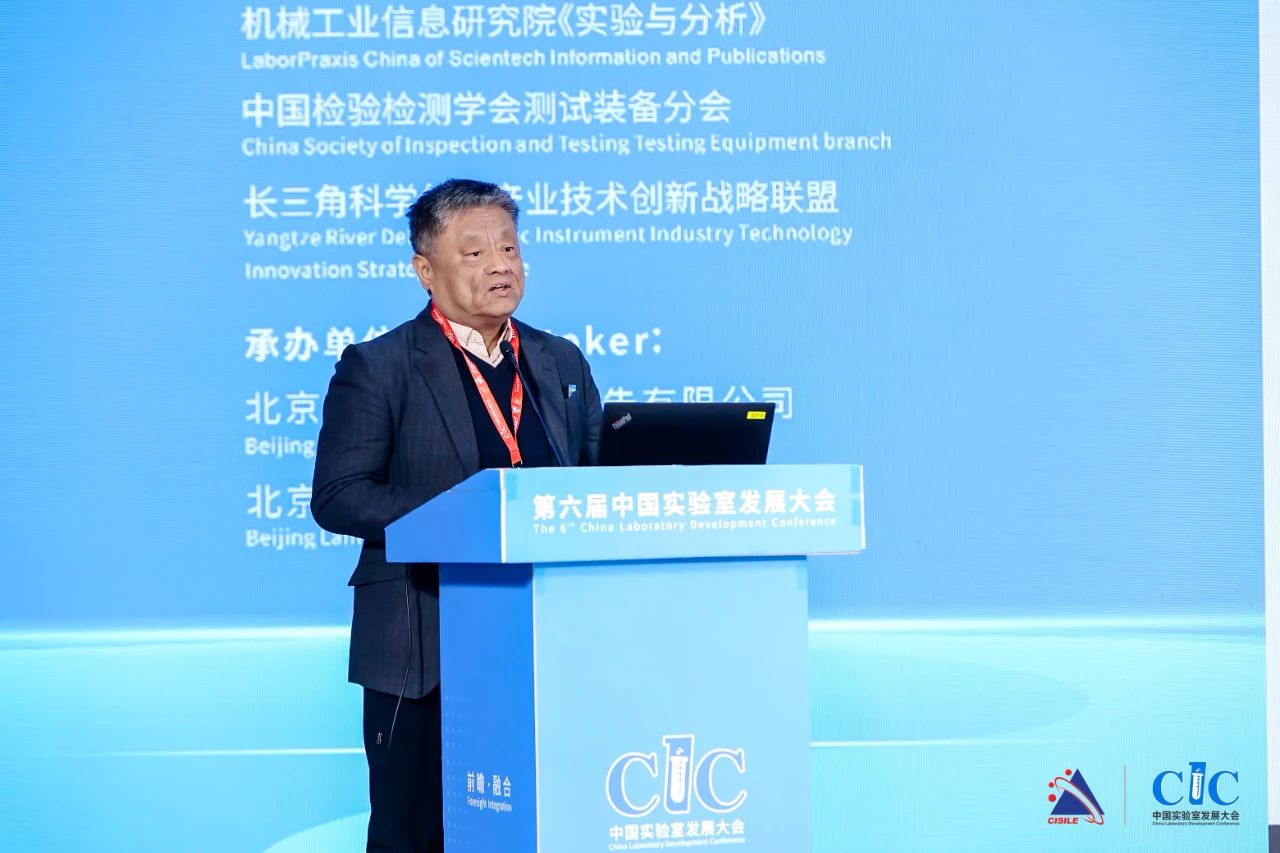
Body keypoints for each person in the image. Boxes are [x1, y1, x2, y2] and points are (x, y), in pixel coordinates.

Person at [310, 178, 603, 852]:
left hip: (546, 639)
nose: (501, 265)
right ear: (425, 270)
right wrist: (470, 514)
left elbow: (593, 482)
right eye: (475, 253)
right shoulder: (381, 366)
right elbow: (340, 494)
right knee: (415, 833)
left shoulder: (558, 360)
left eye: (509, 248)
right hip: (424, 640)